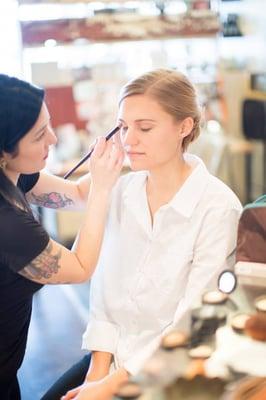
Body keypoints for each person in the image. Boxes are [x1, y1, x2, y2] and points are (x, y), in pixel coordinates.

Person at [42, 68, 243, 400]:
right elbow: (104, 292)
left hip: (171, 366)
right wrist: (97, 370)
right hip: (112, 357)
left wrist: (108, 386)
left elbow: (192, 323)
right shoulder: (121, 191)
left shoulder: (218, 209)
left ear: (184, 126)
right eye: (122, 127)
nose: (128, 140)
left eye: (145, 128)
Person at [0, 74, 124, 400]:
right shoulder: (7, 224)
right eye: (40, 135)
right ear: (4, 151)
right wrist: (103, 190)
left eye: (49, 124)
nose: (53, 139)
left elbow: (77, 193)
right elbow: (81, 266)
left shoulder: (15, 174)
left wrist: (112, 153)